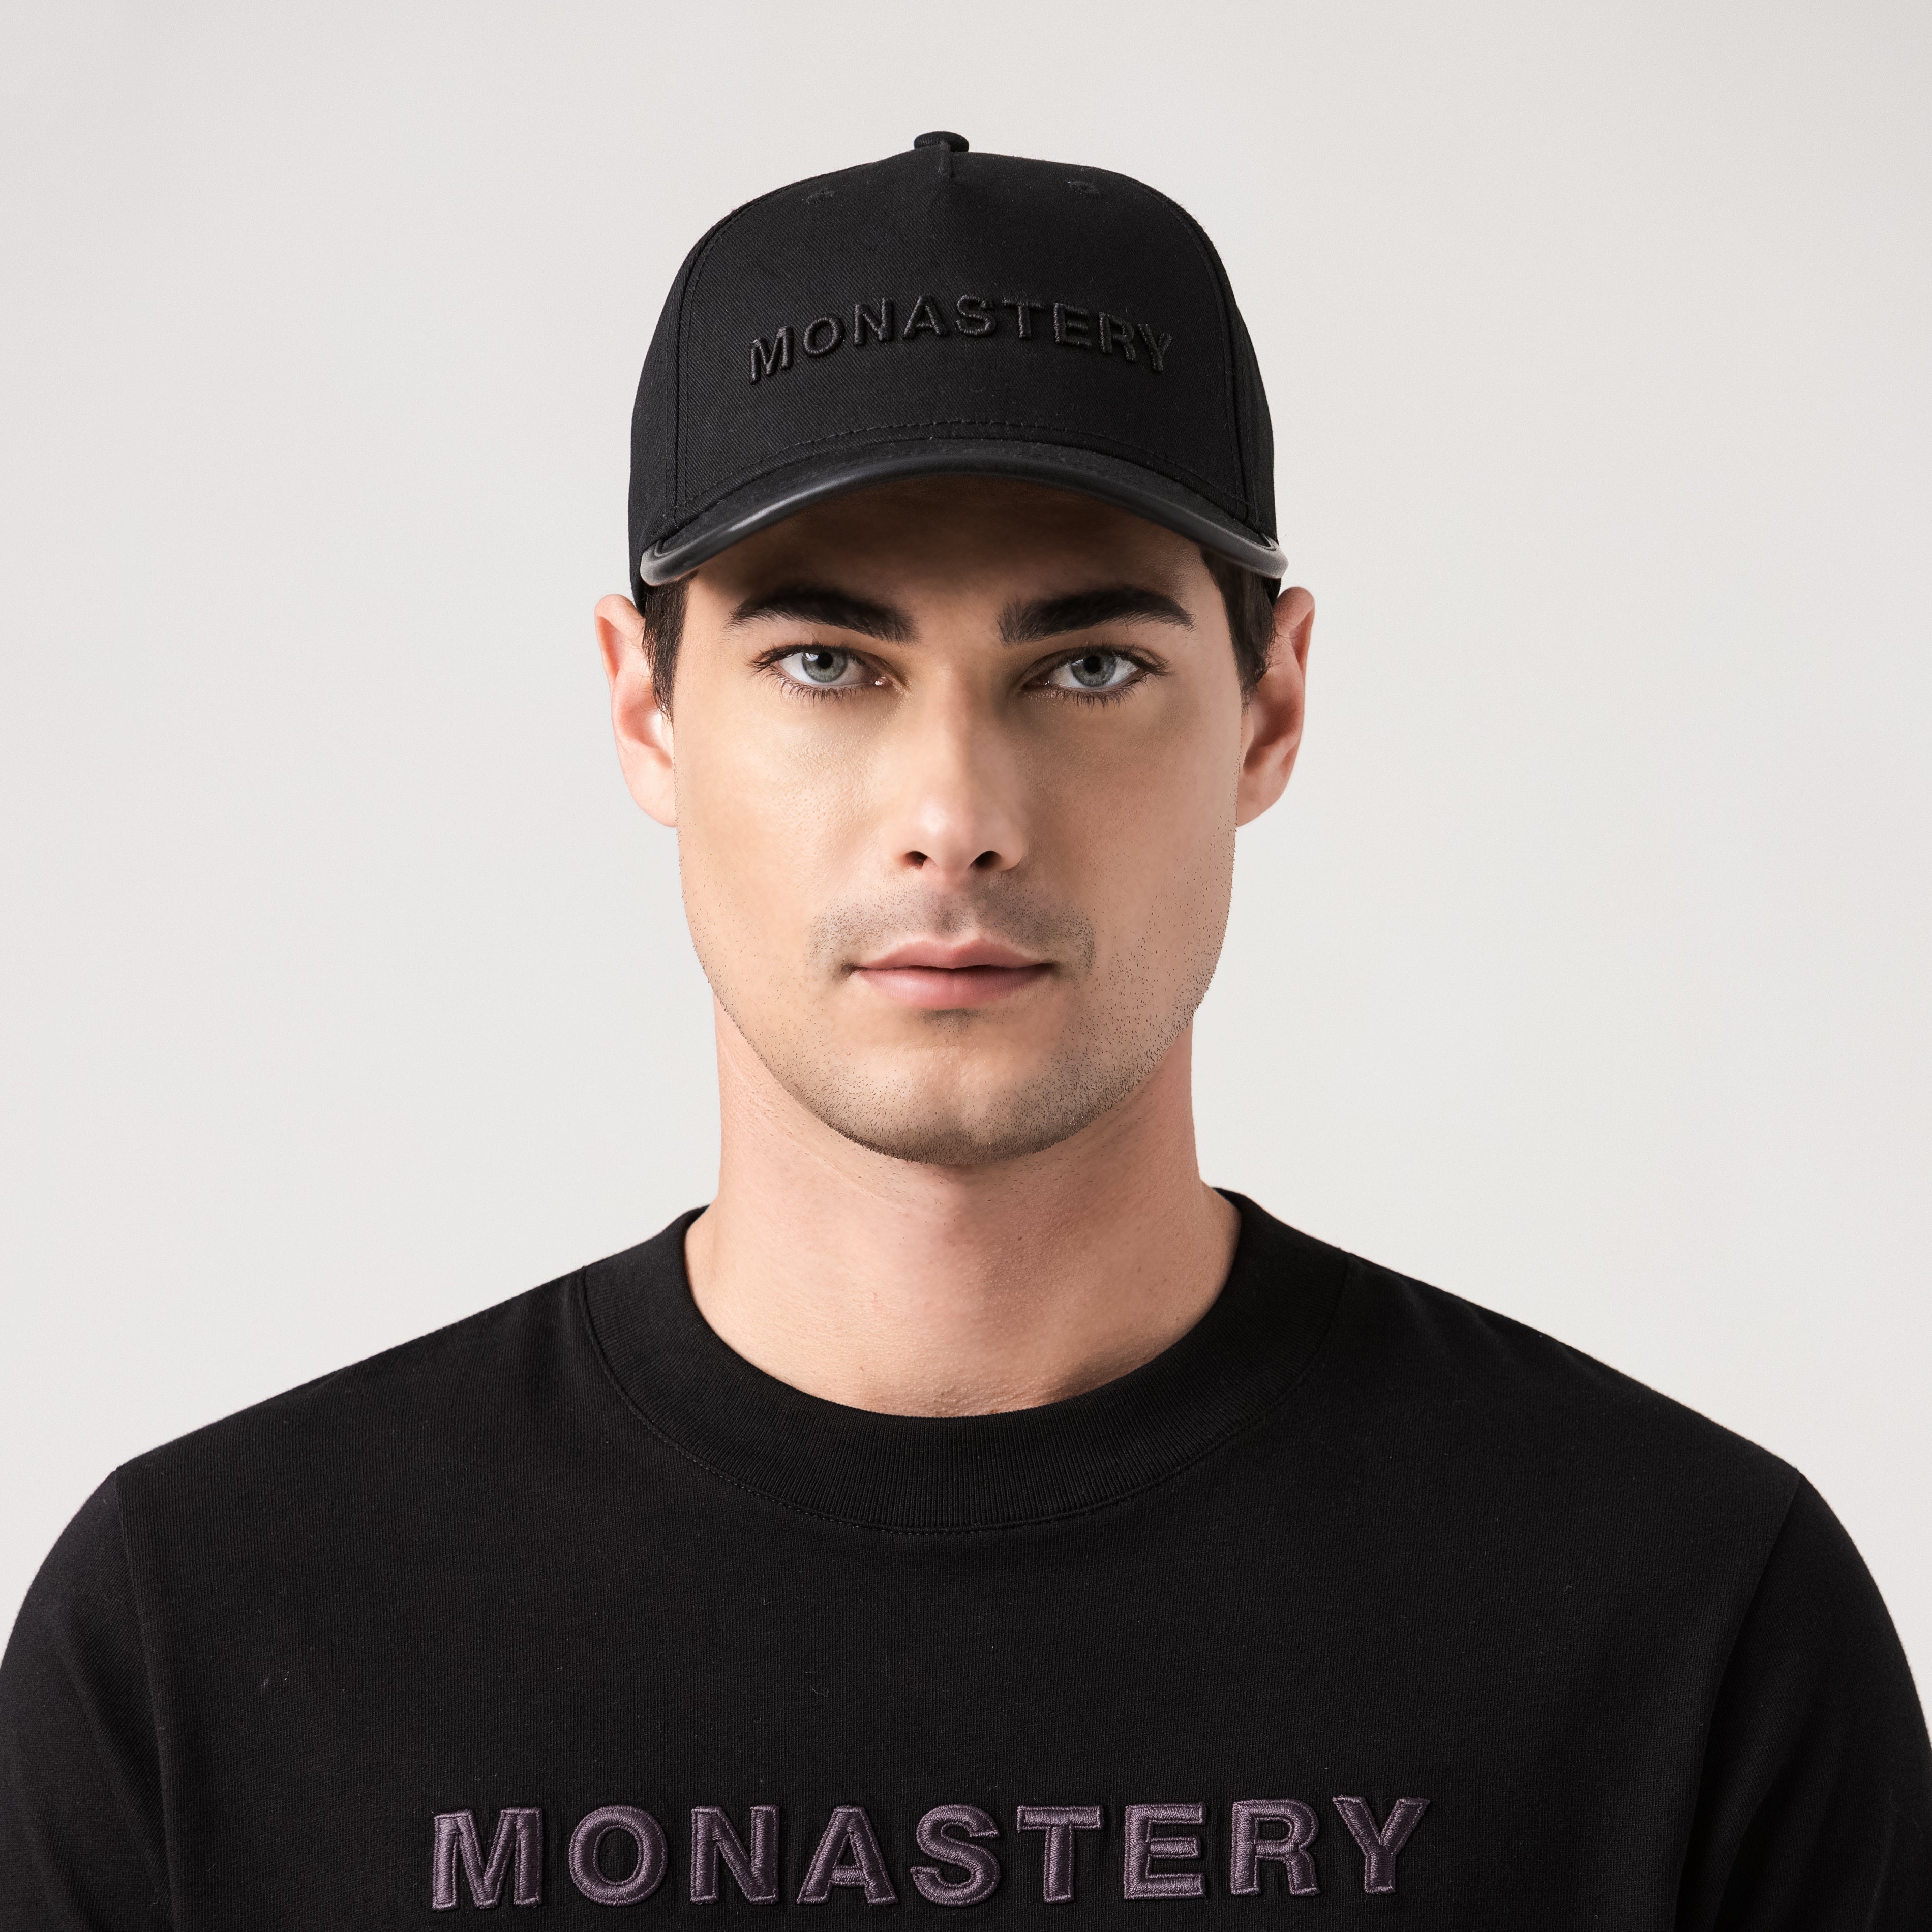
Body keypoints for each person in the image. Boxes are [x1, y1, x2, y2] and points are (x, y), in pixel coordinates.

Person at [2, 130, 1926, 1930]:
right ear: (647, 711)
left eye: (1087, 666)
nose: (956, 813)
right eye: (824, 661)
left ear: (1268, 710)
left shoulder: (1686, 1626)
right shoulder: (201, 1642)